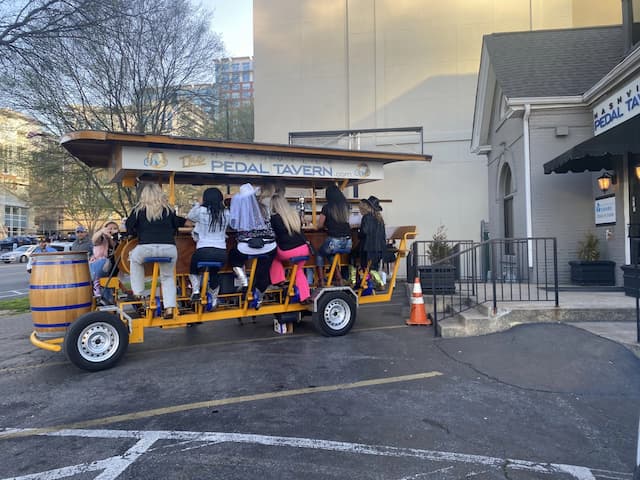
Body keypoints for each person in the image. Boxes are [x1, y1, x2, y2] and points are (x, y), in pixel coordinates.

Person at [125, 183, 186, 320]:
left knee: (134, 259)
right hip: (169, 249)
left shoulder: (138, 210)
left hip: (146, 248)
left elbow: (129, 227)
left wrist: (136, 231)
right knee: (168, 277)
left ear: (144, 196)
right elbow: (177, 224)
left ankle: (138, 293)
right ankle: (170, 308)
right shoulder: (169, 210)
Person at [228, 183, 276, 309]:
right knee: (264, 268)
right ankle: (259, 296)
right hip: (268, 245)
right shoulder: (264, 207)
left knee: (234, 256)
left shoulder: (239, 210)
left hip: (246, 245)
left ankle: (243, 280)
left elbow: (232, 226)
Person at [186, 187, 230, 308]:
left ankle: (196, 291)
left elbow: (190, 216)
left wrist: (198, 203)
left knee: (193, 267)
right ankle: (214, 299)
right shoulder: (226, 213)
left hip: (203, 251)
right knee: (214, 272)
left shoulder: (201, 211)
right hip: (221, 252)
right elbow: (232, 225)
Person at [269, 194, 311, 303]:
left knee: (271, 254)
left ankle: (279, 280)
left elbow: (272, 233)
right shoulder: (294, 214)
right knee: (298, 270)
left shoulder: (274, 218)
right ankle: (305, 296)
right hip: (303, 248)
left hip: (288, 251)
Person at [315, 184, 352, 286]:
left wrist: (325, 227)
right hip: (348, 243)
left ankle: (321, 280)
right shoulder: (345, 207)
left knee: (319, 254)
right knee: (331, 255)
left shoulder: (327, 208)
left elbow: (319, 225)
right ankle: (339, 279)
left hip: (334, 241)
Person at [358, 195, 387, 287]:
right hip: (379, 249)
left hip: (367, 248)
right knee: (372, 268)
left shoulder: (366, 217)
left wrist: (359, 233)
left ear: (369, 207)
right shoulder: (380, 220)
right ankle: (379, 282)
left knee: (352, 257)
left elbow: (364, 232)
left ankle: (357, 281)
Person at [89, 221, 120, 304]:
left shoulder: (117, 240)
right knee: (103, 262)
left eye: (115, 228)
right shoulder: (101, 238)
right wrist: (102, 232)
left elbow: (114, 245)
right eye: (110, 228)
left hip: (112, 270)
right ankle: (97, 288)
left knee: (108, 287)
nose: (112, 230)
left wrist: (111, 236)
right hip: (99, 265)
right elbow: (94, 240)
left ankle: (108, 304)